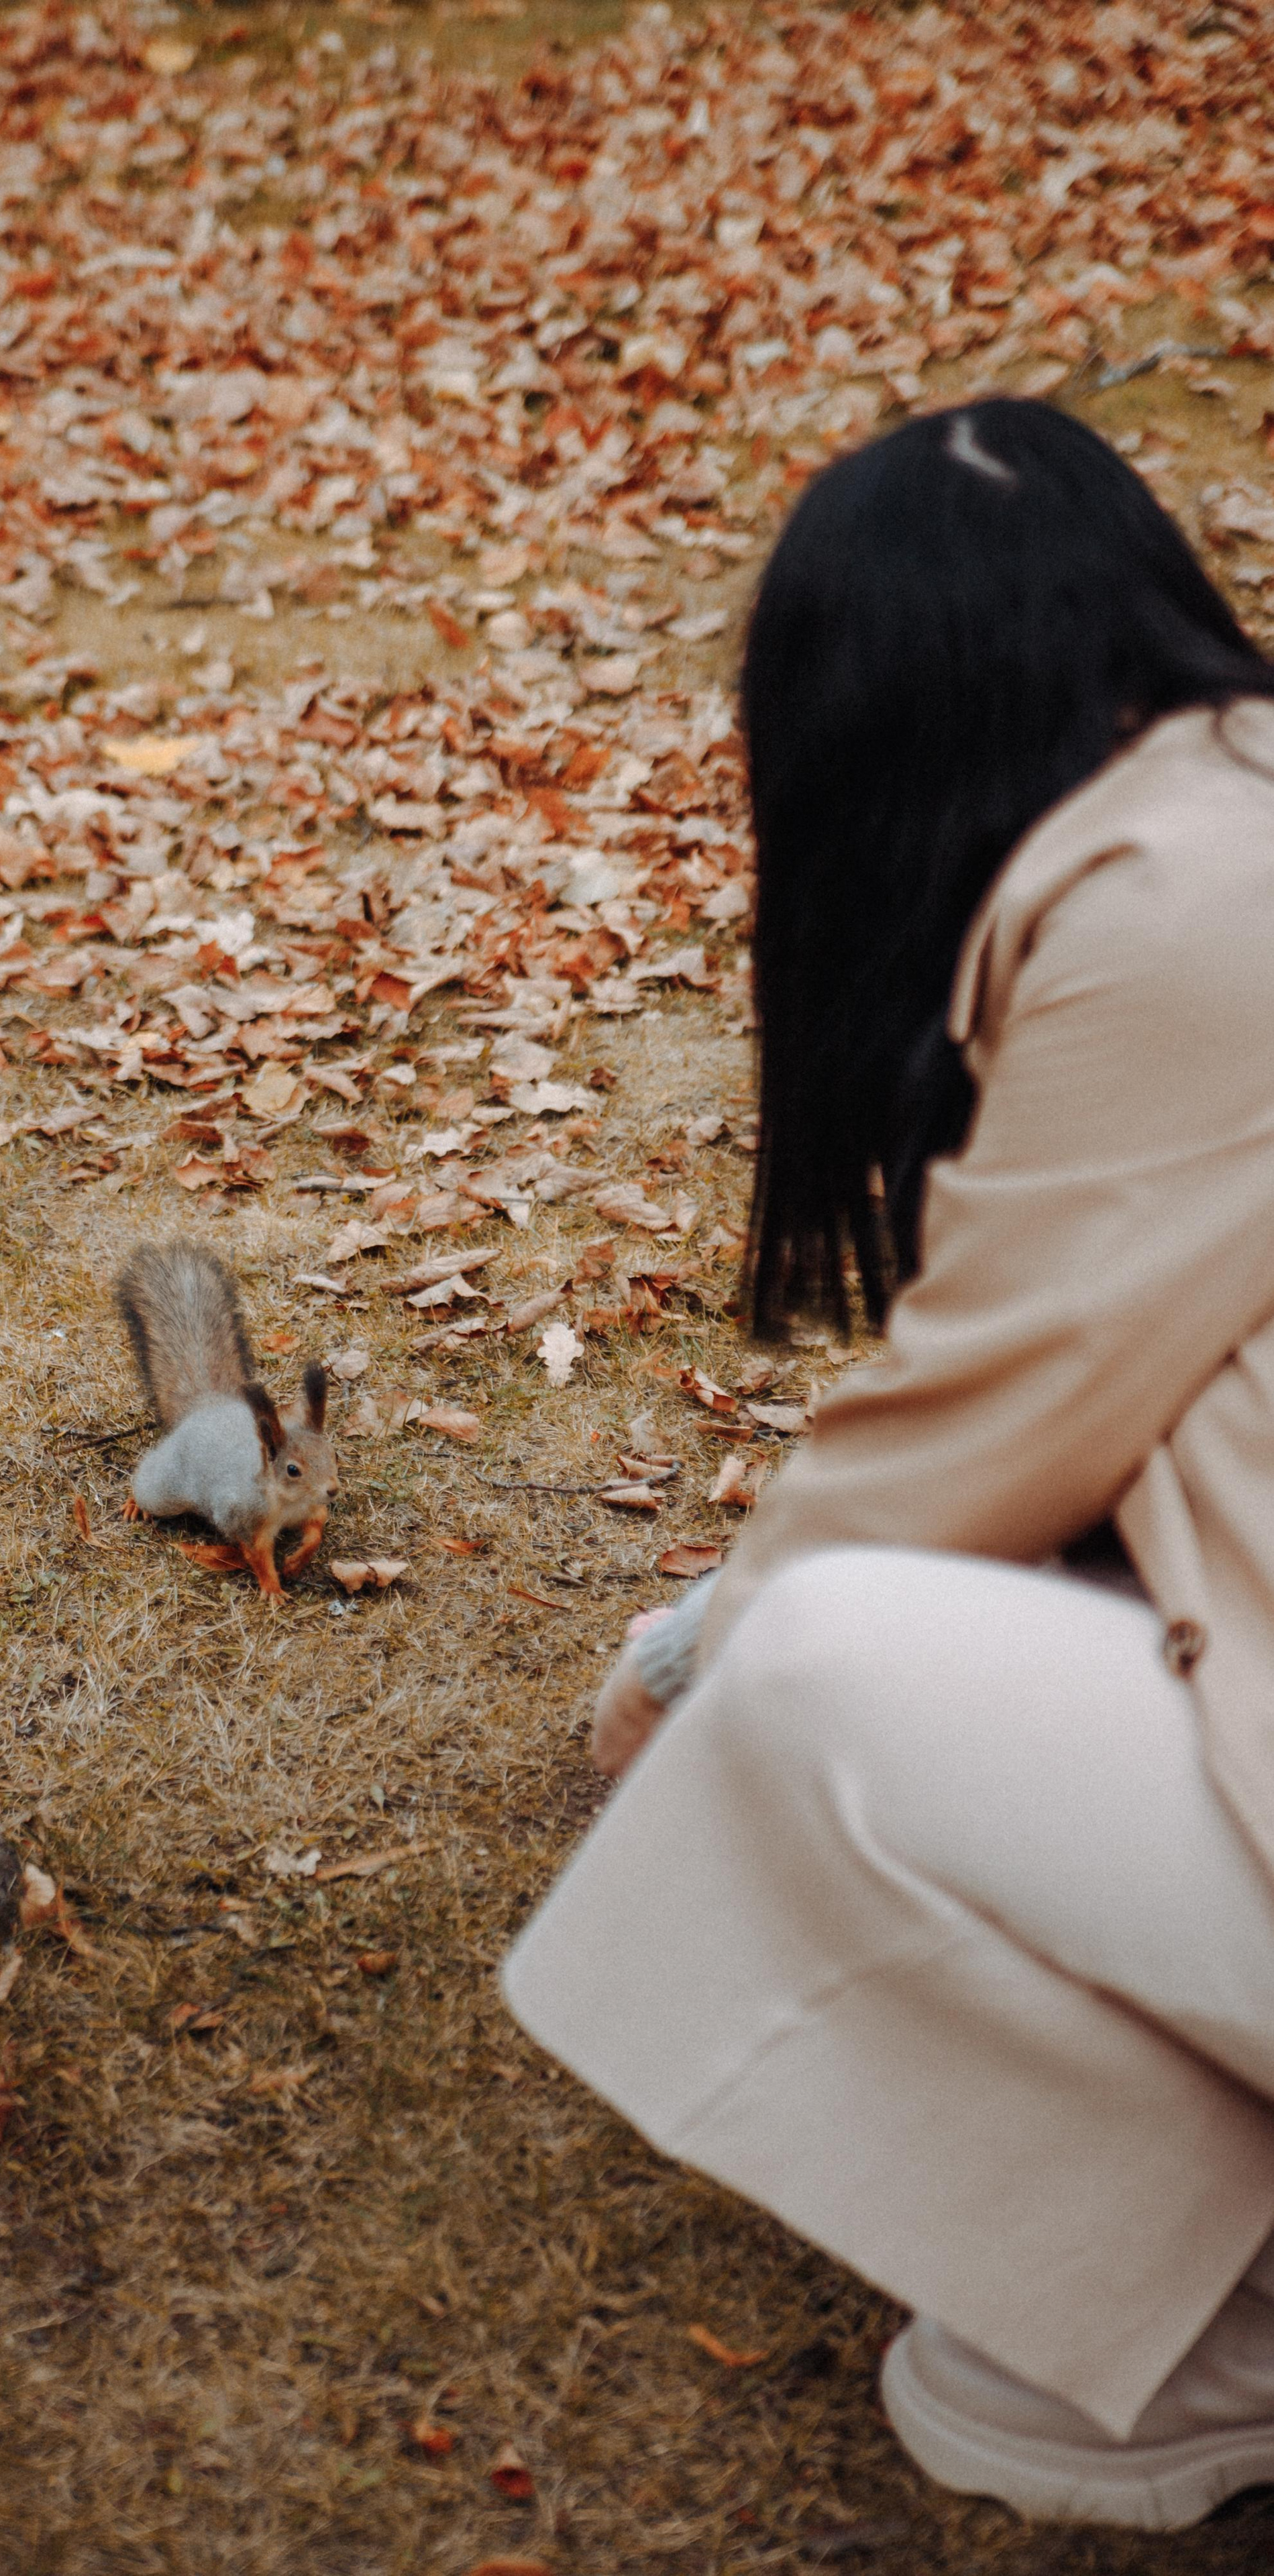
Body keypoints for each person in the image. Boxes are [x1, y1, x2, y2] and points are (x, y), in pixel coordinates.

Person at [502, 397, 1274, 2532]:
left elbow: (984, 1417)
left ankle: (1243, 2309)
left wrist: (678, 1686)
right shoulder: (1230, 819)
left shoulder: (1197, 890)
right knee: (998, 2396)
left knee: (818, 1665)